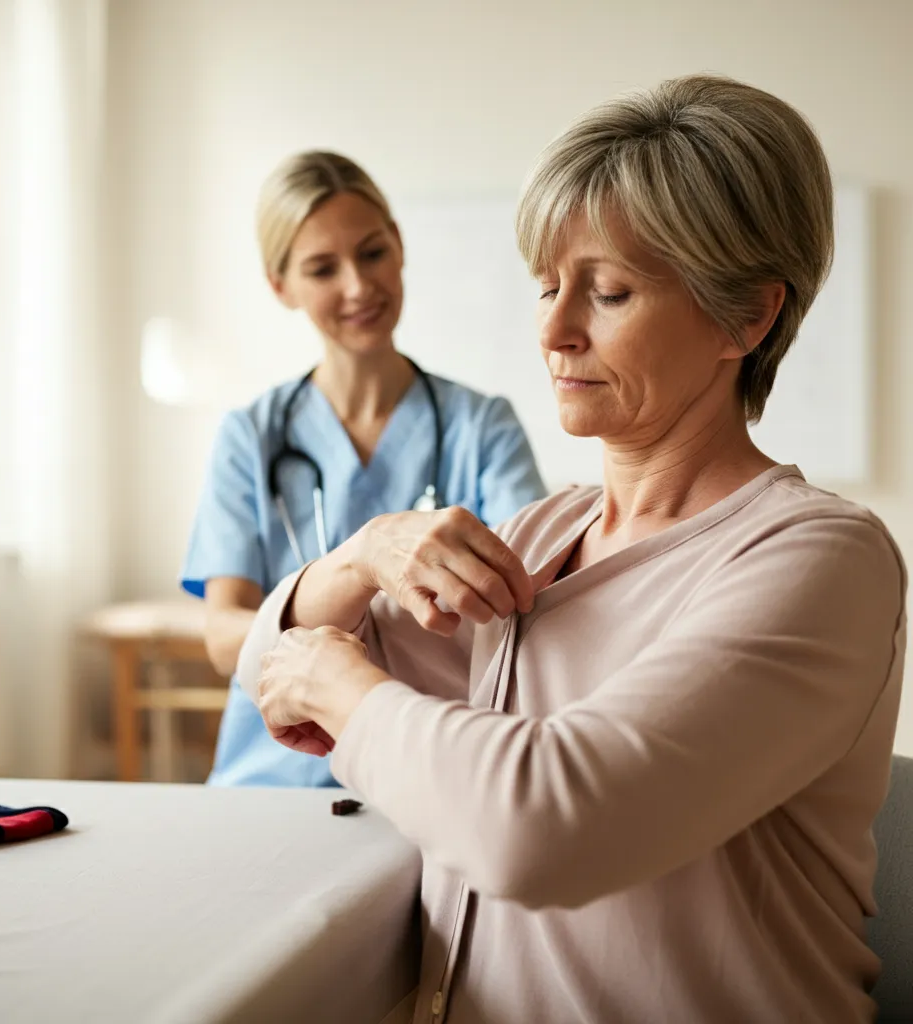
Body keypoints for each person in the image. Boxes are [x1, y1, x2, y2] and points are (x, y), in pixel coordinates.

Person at [238, 76, 907, 1022]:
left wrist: (341, 690)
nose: (552, 332)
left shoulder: (820, 560)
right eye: (548, 288)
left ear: (747, 317)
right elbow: (270, 667)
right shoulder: (540, 537)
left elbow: (540, 827)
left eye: (610, 292)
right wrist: (360, 557)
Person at [181, 151, 546, 788]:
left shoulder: (481, 426)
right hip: (273, 775)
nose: (357, 286)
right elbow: (220, 636)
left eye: (372, 252)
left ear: (399, 245)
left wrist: (334, 649)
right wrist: (342, 640)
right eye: (323, 268)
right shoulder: (251, 436)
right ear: (281, 285)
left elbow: (528, 597)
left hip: (424, 766)